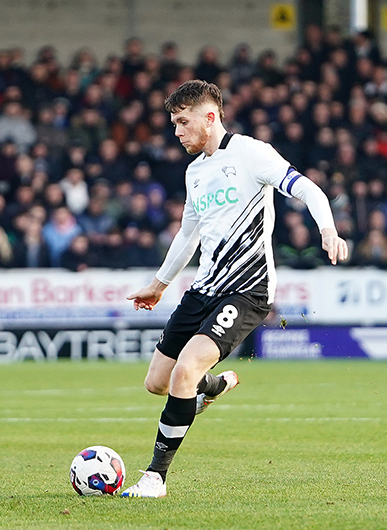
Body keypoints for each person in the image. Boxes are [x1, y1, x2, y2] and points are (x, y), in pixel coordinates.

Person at [121, 80, 348, 498]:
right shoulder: (195, 172)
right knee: (158, 381)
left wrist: (328, 230)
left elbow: (307, 189)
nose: (177, 132)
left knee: (185, 370)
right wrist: (159, 284)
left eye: (182, 122)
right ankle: (215, 386)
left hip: (247, 290)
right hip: (203, 288)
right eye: (173, 124)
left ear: (210, 117)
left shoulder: (251, 153)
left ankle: (155, 477)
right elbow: (188, 234)